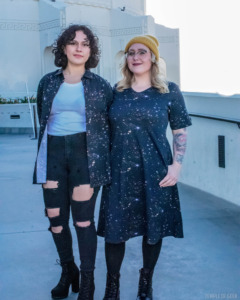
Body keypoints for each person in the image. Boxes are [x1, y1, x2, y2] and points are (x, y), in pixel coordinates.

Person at [97, 35, 192, 300]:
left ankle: (145, 282)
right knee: (115, 232)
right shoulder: (115, 92)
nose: (136, 57)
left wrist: (176, 166)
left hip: (156, 172)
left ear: (152, 57)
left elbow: (179, 131)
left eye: (142, 52)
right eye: (130, 52)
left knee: (154, 230)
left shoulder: (169, 90)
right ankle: (112, 287)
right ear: (126, 59)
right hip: (118, 173)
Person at [33, 25, 112, 300]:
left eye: (85, 43)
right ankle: (69, 271)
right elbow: (43, 118)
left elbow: (108, 127)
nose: (79, 47)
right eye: (73, 42)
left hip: (85, 156)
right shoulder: (48, 81)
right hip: (52, 154)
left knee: (83, 222)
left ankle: (87, 283)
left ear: (91, 51)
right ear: (63, 48)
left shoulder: (100, 86)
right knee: (55, 219)